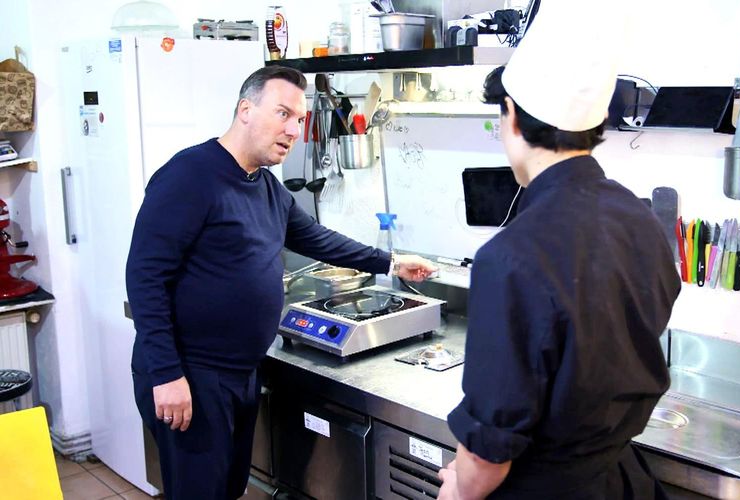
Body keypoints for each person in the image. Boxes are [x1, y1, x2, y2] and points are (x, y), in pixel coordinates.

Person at [126, 65, 436, 500]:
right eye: (283, 113)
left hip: (239, 373)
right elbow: (144, 277)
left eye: (299, 120)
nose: (293, 130)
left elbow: (318, 240)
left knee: (227, 489)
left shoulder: (266, 188)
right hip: (192, 374)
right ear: (246, 110)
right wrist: (166, 374)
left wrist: (390, 262)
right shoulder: (190, 176)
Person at [437, 2, 681, 499]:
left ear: (509, 117)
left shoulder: (509, 257)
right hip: (620, 482)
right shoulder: (643, 221)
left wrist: (457, 491)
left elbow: (486, 457)